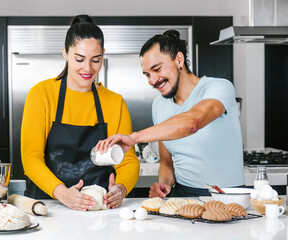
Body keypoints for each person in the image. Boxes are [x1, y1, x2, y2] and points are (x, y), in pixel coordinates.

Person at [96, 30, 245, 197]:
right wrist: (163, 185)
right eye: (147, 75)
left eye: (157, 69)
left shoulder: (219, 87)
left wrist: (134, 137)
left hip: (228, 196)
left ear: (179, 60)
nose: (152, 80)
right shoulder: (159, 105)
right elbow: (167, 162)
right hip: (182, 196)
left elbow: (193, 122)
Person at [21, 14, 139, 210]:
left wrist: (121, 189)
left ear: (103, 55)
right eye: (79, 59)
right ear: (65, 53)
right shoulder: (41, 94)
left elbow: (127, 161)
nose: (88, 68)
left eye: (95, 60)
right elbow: (31, 158)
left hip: (98, 208)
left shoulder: (114, 102)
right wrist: (62, 193)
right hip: (49, 206)